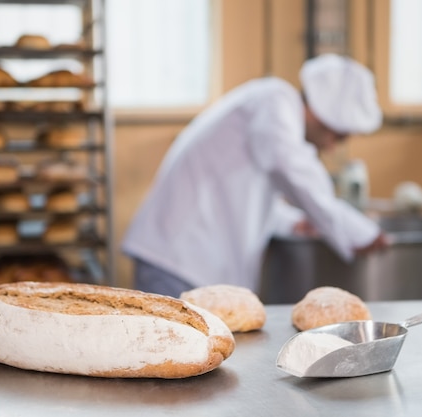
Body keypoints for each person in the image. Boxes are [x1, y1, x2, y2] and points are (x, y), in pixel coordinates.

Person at [122, 54, 389, 298]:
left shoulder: (270, 110)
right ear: (324, 112)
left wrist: (292, 222)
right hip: (178, 261)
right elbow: (291, 167)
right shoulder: (275, 100)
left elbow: (247, 192)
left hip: (187, 260)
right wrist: (358, 231)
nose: (332, 147)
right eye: (337, 136)